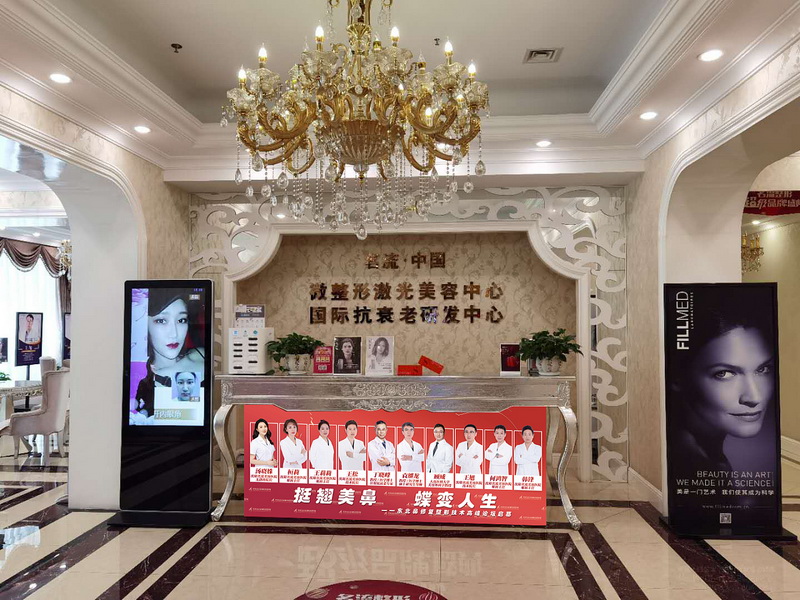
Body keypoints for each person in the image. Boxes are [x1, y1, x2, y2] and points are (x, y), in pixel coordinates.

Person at [670, 299, 775, 472]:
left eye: (763, 369)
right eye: (724, 373)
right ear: (677, 377)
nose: (755, 397)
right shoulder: (690, 466)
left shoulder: (707, 460)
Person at [146, 289, 205, 388]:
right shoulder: (142, 381)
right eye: (161, 321)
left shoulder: (201, 355)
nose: (174, 334)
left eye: (181, 320)